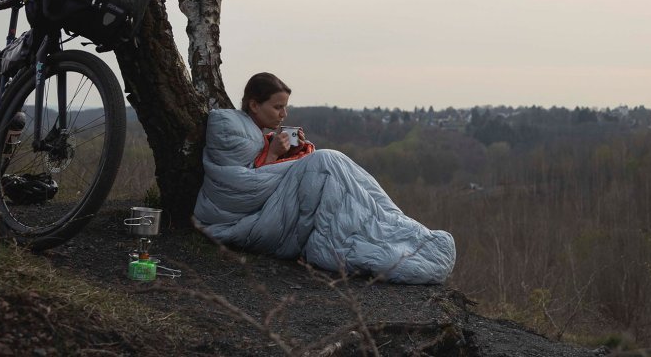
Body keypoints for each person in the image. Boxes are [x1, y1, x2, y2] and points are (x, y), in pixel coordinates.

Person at [193, 72, 456, 285]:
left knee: (332, 166)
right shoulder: (236, 135)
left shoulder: (257, 134)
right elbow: (246, 190)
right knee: (326, 161)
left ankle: (404, 230)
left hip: (272, 210)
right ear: (253, 105)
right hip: (257, 222)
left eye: (285, 107)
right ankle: (400, 242)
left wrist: (296, 154)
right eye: (277, 107)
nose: (283, 114)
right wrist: (280, 155)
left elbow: (266, 174)